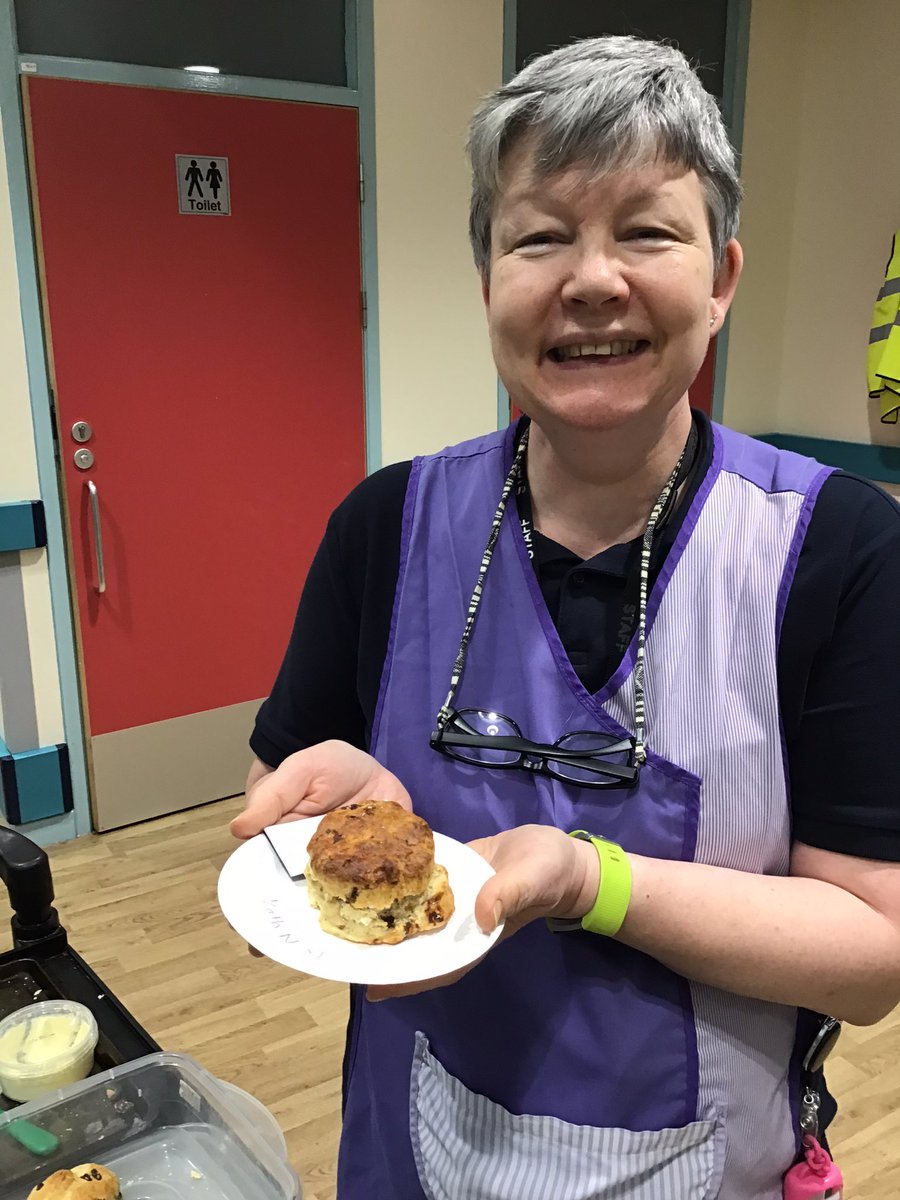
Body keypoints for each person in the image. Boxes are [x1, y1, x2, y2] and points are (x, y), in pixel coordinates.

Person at [232, 35, 900, 1199]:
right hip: (412, 1138)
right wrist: (329, 787)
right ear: (489, 279)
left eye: (646, 229)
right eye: (540, 235)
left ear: (723, 276)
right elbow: (283, 861)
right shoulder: (384, 528)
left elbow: (870, 956)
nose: (592, 279)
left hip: (704, 1165)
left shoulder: (836, 553)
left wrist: (591, 880)